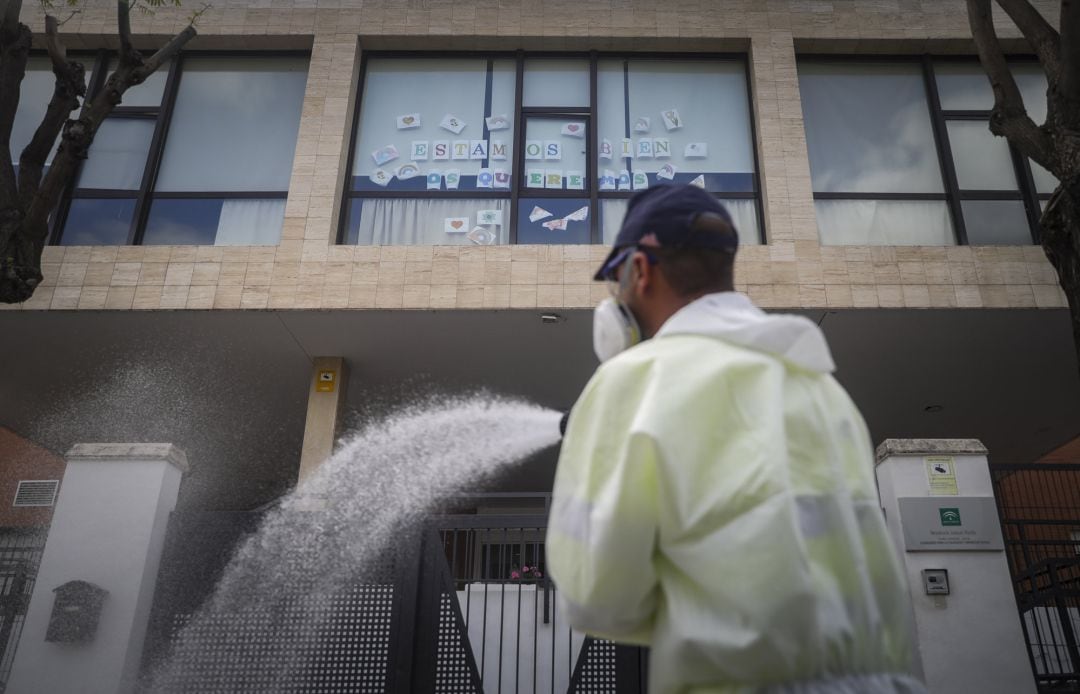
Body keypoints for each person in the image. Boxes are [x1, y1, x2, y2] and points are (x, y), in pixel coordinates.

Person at [545, 184, 924, 694]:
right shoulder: (820, 387)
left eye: (615, 277)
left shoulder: (634, 382)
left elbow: (596, 597)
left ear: (640, 269)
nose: (615, 295)